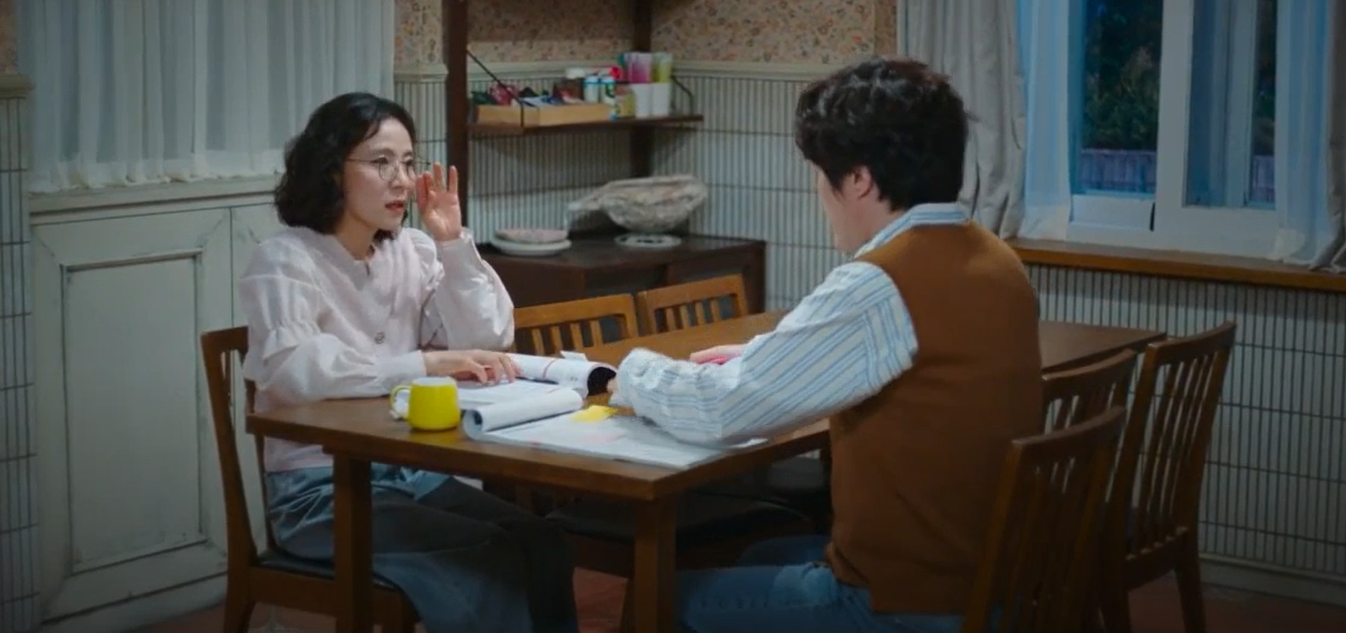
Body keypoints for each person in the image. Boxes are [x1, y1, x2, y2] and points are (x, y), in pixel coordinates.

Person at [608, 57, 1042, 632]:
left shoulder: (878, 283)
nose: (819, 192)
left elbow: (722, 408)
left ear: (858, 179)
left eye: (819, 173)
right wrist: (769, 359)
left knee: (657, 597)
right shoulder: (995, 258)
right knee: (762, 553)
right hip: (992, 583)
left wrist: (631, 370)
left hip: (904, 603)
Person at [238, 91, 578, 633]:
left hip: (409, 476)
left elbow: (487, 336)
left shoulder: (411, 250)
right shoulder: (285, 260)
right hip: (320, 493)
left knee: (542, 539)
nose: (401, 180)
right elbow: (294, 369)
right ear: (331, 170)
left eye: (408, 162)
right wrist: (421, 366)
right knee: (485, 553)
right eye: (381, 162)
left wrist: (452, 243)